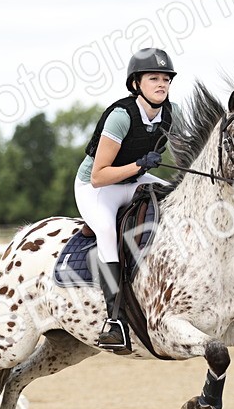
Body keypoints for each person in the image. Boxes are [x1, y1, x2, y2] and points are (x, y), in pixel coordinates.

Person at [74, 47, 179, 351]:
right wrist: (139, 165)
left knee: (178, 198)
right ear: (136, 84)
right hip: (97, 189)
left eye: (166, 79)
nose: (162, 84)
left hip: (133, 181)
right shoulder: (121, 117)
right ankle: (114, 320)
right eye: (154, 78)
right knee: (106, 230)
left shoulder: (169, 113)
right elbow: (99, 176)